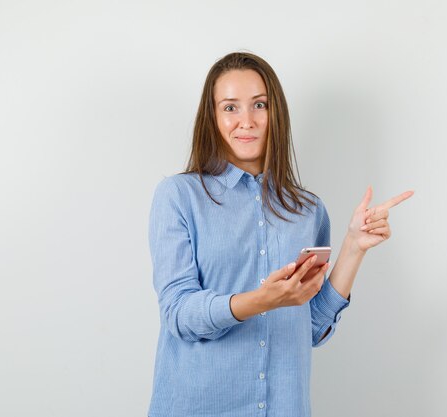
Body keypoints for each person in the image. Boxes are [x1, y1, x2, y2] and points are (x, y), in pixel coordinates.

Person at [147, 51, 413, 417]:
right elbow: (178, 314)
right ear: (211, 117)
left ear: (276, 114)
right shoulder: (178, 197)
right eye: (230, 108)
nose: (247, 121)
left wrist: (354, 246)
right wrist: (262, 300)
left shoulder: (308, 210)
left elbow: (311, 328)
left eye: (259, 104)